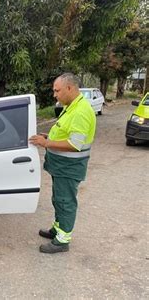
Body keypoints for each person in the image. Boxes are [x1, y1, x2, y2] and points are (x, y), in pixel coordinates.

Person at [29, 73, 96, 253]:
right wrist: (48, 136)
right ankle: (58, 230)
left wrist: (47, 143)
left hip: (69, 167)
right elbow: (65, 132)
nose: (54, 95)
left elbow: (75, 144)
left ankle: (62, 241)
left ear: (70, 88)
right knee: (58, 199)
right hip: (61, 166)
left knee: (65, 202)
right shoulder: (72, 106)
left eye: (57, 91)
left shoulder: (81, 111)